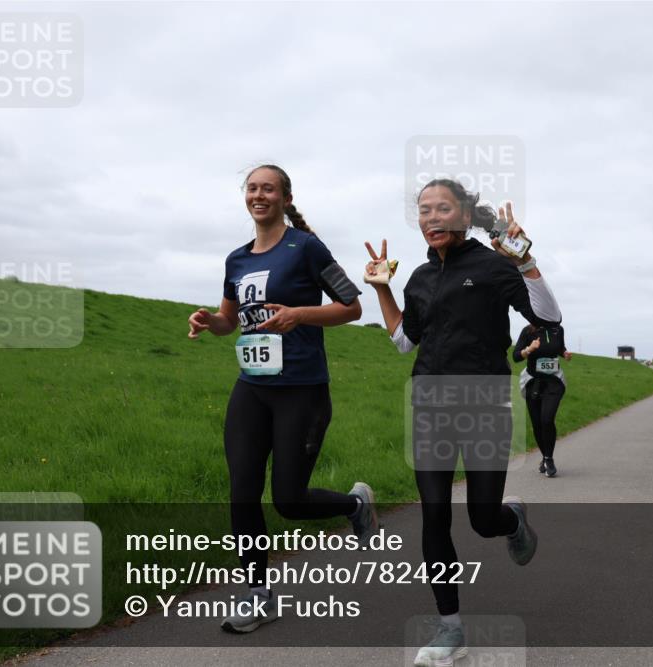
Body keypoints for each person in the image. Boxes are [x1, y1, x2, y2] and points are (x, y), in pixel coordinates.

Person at [364, 179, 561, 667]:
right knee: (434, 514)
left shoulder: (493, 267)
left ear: (466, 215)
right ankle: (450, 629)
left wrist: (525, 261)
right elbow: (404, 341)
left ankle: (511, 519)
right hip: (429, 400)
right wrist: (383, 288)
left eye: (442, 208)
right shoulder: (418, 278)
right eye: (424, 211)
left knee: (481, 518)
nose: (431, 218)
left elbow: (549, 317)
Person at [187, 164, 379, 633]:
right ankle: (259, 595)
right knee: (242, 493)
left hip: (302, 390)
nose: (259, 195)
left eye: (268, 188)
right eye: (252, 188)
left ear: (284, 197)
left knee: (290, 501)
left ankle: (354, 506)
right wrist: (209, 322)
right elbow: (231, 319)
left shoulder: (307, 247)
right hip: (252, 388)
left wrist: (300, 315)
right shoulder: (236, 259)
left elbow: (351, 306)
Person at [513, 323, 571, 477]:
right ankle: (545, 457)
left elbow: (559, 347)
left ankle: (548, 458)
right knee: (537, 424)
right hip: (533, 382)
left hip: (554, 382)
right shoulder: (528, 331)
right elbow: (516, 356)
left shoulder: (558, 330)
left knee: (547, 419)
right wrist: (529, 349)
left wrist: (564, 353)